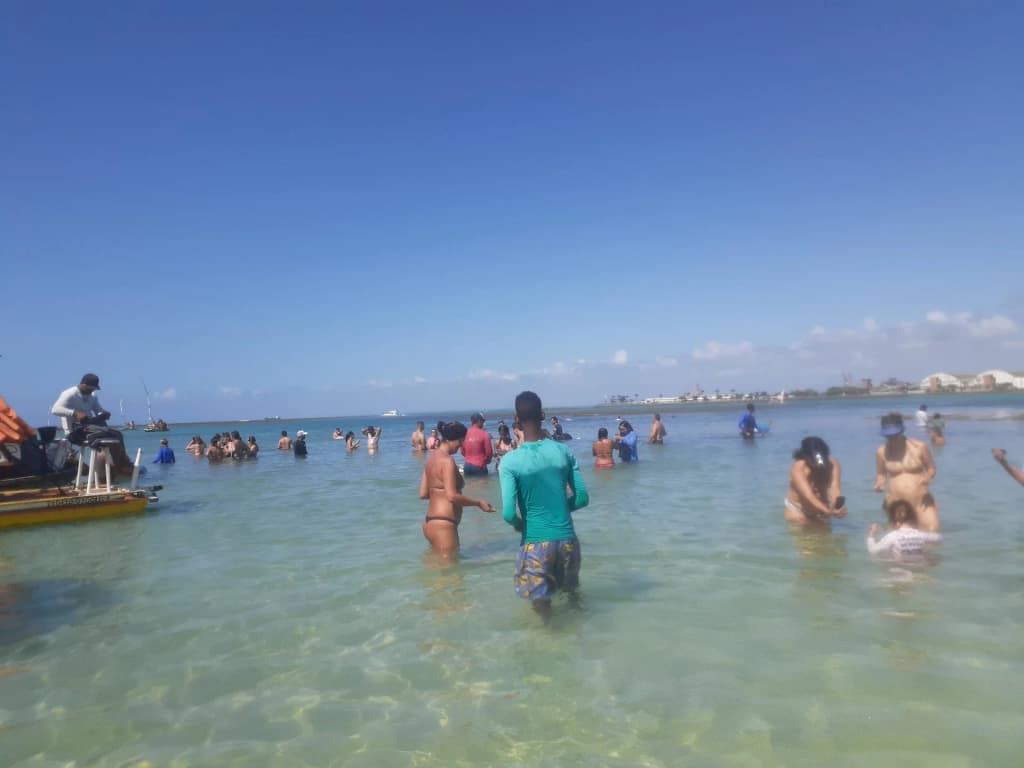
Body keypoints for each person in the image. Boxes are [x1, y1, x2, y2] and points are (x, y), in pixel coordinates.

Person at [499, 391, 589, 621]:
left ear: (516, 419)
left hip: (536, 542)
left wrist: (521, 526)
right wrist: (557, 508)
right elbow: (582, 498)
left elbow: (509, 514)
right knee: (572, 597)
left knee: (542, 608)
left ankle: (550, 643)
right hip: (568, 540)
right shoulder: (563, 452)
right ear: (542, 415)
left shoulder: (510, 461)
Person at [419, 420, 496, 557]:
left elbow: (423, 493)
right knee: (453, 577)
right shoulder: (447, 461)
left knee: (435, 573)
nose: (461, 446)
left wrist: (439, 494)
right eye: (461, 442)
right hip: (444, 526)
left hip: (429, 523)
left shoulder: (431, 459)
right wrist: (478, 503)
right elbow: (452, 496)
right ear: (451, 440)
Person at [51, 373, 135, 475]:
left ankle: (120, 464)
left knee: (118, 435)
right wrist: (74, 413)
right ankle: (119, 466)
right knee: (110, 434)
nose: (93, 391)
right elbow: (55, 409)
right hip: (75, 431)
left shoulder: (92, 396)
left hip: (90, 427)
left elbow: (98, 410)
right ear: (84, 385)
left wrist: (103, 414)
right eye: (91, 388)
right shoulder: (69, 394)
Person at [874, 412, 939, 532]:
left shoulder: (919, 447)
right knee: (899, 540)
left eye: (895, 435)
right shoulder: (881, 452)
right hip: (896, 503)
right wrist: (879, 484)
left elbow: (931, 468)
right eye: (889, 436)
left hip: (921, 500)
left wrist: (928, 477)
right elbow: (881, 474)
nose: (892, 439)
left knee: (932, 531)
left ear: (902, 431)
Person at [784, 437, 847, 525]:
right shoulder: (798, 467)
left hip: (823, 512)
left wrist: (837, 507)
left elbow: (835, 488)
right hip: (798, 511)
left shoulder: (833, 464)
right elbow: (809, 496)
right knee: (805, 537)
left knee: (826, 538)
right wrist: (829, 511)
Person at [867, 499, 942, 561]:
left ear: (896, 522)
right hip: (920, 575)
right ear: (912, 519)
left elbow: (873, 551)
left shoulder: (892, 537)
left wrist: (871, 534)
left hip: (899, 574)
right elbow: (939, 538)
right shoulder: (922, 536)